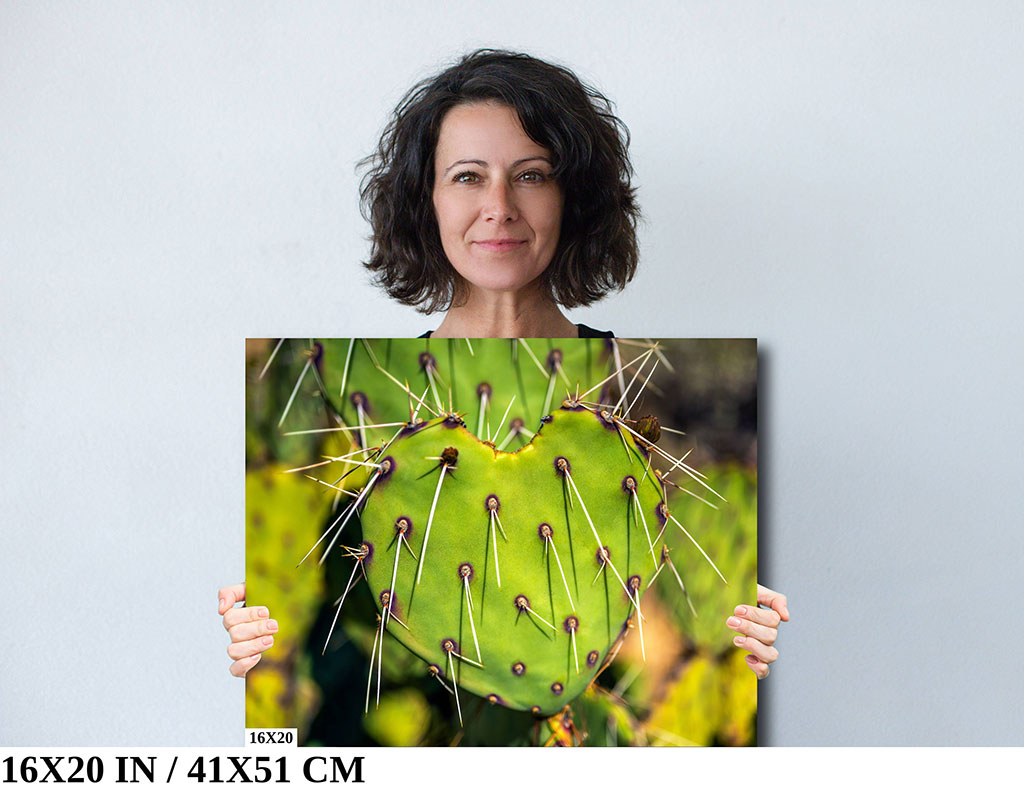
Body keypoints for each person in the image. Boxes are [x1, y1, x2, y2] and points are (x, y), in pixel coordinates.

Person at [221, 49, 788, 683]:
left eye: (532, 175)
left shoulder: (637, 382)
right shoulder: (356, 388)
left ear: (572, 198)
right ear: (425, 199)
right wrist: (251, 646)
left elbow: (688, 599)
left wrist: (758, 649)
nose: (499, 207)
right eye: (467, 176)